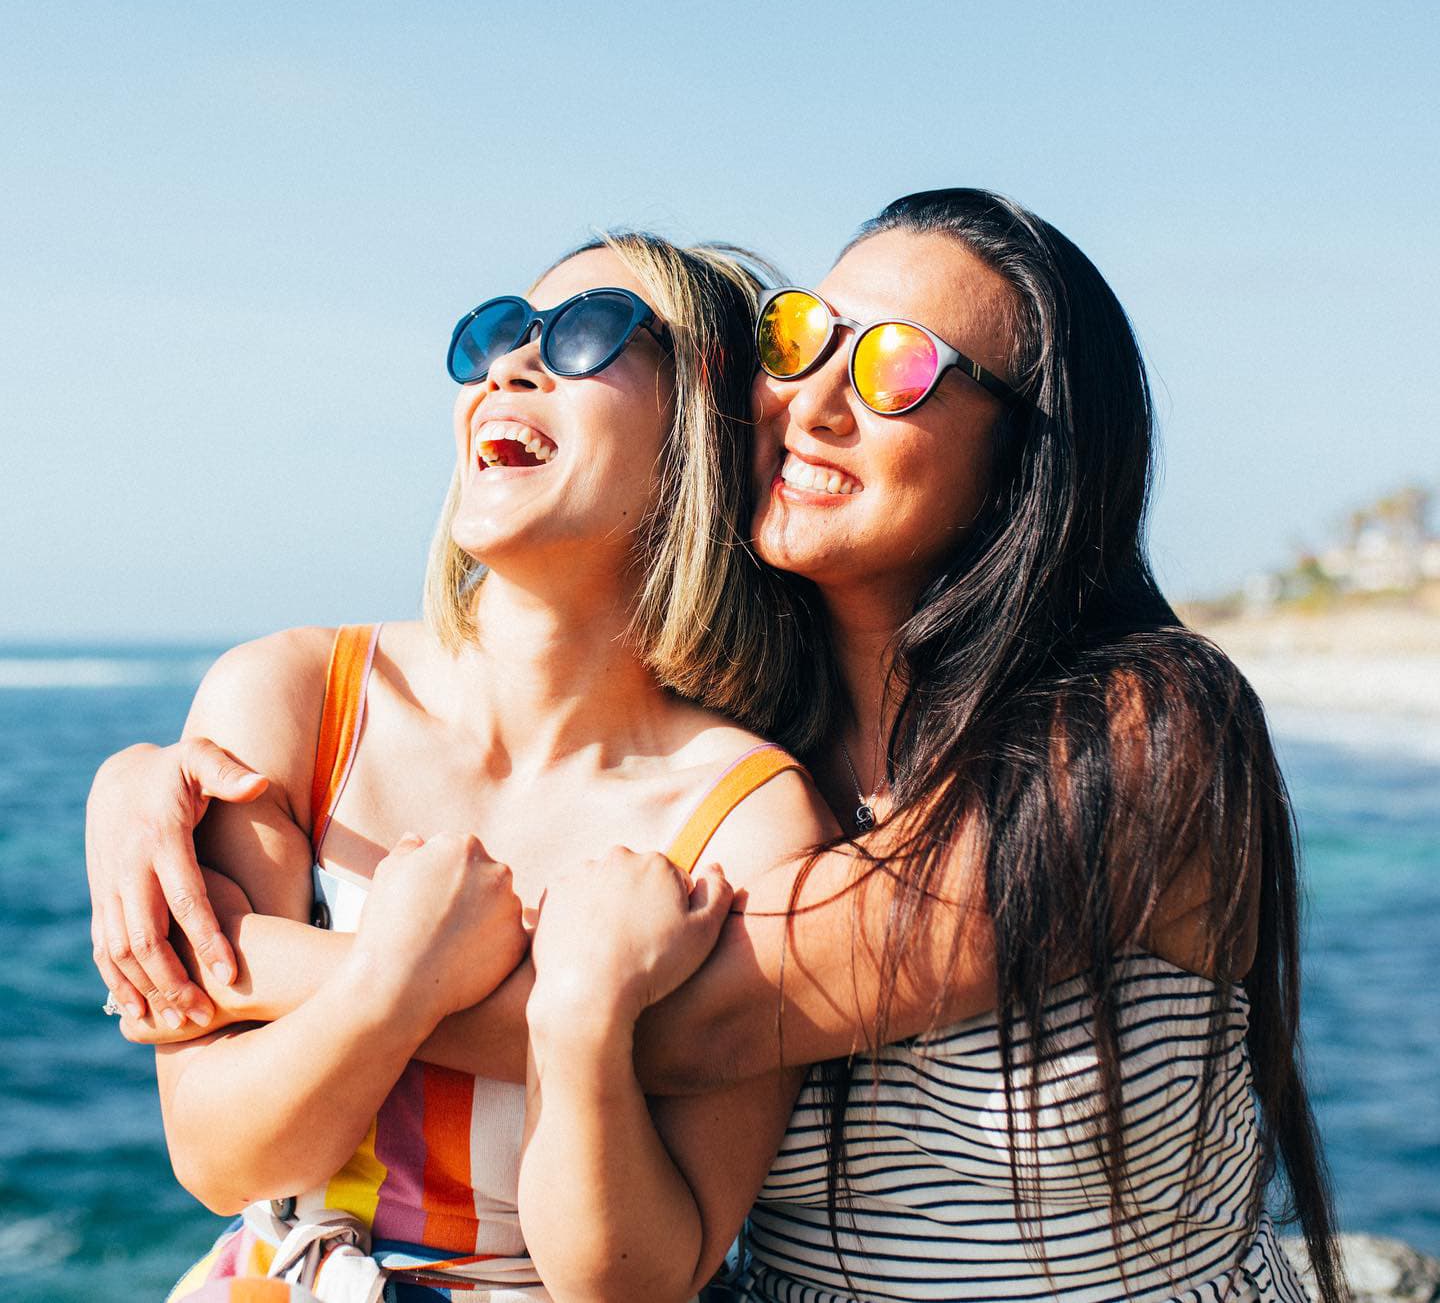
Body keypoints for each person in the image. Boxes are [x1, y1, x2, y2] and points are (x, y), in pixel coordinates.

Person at [89, 191, 1343, 1303]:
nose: (811, 400)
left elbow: (694, 1027)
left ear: (1032, 456)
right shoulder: (778, 739)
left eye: (899, 367)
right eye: (801, 340)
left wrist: (235, 952)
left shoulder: (1140, 732)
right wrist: (137, 789)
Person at [97, 231, 838, 1301]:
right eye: (497, 333)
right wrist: (393, 982)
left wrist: (581, 1020)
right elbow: (223, 1157)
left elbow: (637, 1279)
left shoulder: (748, 818)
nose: (510, 366)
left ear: (703, 429)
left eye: (586, 336)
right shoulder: (297, 699)